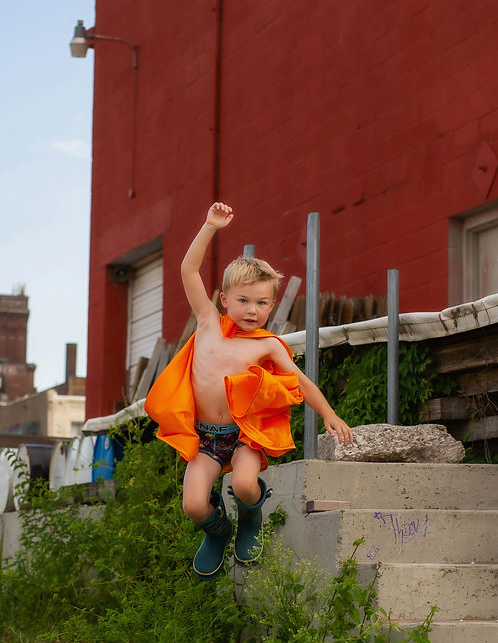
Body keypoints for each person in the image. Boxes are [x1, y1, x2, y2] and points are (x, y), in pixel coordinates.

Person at [145, 201, 354, 580]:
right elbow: (187, 269)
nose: (252, 310)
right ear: (224, 300)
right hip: (206, 438)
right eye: (243, 301)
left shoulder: (268, 345)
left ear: (272, 304)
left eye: (261, 303)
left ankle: (251, 518)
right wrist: (210, 225)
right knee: (193, 504)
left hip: (244, 436)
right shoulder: (208, 324)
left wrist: (329, 413)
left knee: (243, 484)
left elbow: (299, 382)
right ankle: (218, 532)